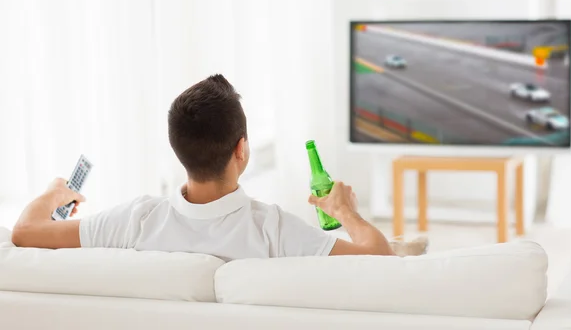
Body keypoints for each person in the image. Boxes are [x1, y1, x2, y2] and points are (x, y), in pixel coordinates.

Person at [11, 74, 427, 260]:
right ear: (241, 149)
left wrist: (55, 193)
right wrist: (345, 212)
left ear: (178, 149)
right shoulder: (274, 231)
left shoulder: (135, 220)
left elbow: (25, 233)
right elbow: (379, 257)